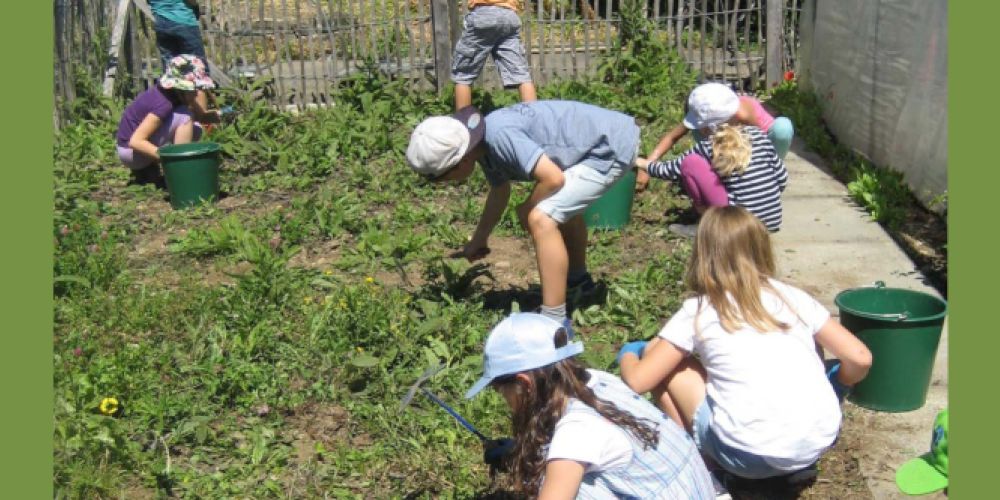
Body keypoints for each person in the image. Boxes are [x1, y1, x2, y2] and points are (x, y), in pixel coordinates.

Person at [617, 206, 873, 482]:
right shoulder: (792, 297)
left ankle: (705, 471)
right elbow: (860, 357)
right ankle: (793, 465)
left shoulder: (700, 310)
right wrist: (839, 384)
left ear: (703, 253)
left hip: (746, 456)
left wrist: (629, 352)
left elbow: (638, 382)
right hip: (816, 443)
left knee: (668, 368)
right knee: (810, 342)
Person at [406, 101, 641, 330]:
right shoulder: (483, 145)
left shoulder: (499, 138)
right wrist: (480, 238)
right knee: (559, 208)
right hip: (602, 141)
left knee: (541, 217)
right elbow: (500, 191)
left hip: (608, 148)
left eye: (442, 178)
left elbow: (553, 178)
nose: (444, 183)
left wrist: (528, 206)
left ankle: (554, 322)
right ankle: (579, 282)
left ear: (461, 161)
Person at [465, 312, 717, 499]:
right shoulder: (598, 380)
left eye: (500, 390)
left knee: (557, 482)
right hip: (699, 490)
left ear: (524, 383)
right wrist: (517, 450)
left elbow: (575, 445)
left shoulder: (575, 432)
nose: (504, 400)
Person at [636, 121, 788, 236]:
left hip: (737, 228)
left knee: (691, 164)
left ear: (703, 126)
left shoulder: (709, 144)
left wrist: (641, 163)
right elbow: (782, 177)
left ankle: (707, 228)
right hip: (772, 222)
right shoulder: (757, 135)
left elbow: (670, 170)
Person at [636, 82, 795, 191]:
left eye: (703, 126)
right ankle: (722, 172)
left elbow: (759, 146)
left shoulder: (744, 114)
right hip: (730, 142)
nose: (701, 130)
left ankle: (761, 175)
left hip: (757, 145)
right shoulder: (710, 110)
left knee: (783, 128)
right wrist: (649, 164)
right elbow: (672, 137)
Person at [115, 55, 227, 185]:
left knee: (195, 128)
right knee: (185, 116)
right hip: (130, 152)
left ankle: (149, 169)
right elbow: (136, 141)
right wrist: (171, 160)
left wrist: (217, 116)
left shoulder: (170, 95)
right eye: (193, 90)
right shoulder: (163, 103)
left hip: (134, 151)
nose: (196, 93)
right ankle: (180, 171)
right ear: (181, 89)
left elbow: (199, 117)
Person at [451, 0, 537, 110]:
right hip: (509, 16)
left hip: (483, 15)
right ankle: (534, 117)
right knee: (521, 75)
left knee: (463, 75)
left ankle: (463, 119)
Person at [150, 0, 208, 73]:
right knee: (197, 65)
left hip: (161, 21)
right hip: (183, 20)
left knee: (170, 68)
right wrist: (195, 6)